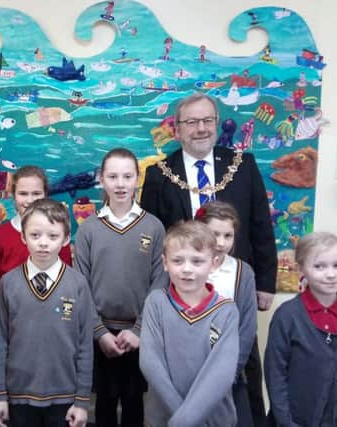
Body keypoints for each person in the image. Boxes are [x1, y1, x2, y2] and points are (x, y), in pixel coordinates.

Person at [140, 92, 276, 425]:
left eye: (208, 121)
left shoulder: (242, 165)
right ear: (177, 129)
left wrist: (267, 283)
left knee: (242, 372)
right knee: (185, 369)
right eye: (191, 122)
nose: (201, 129)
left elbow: (261, 224)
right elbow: (154, 236)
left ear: (216, 123)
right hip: (182, 293)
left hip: (233, 286)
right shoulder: (159, 174)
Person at [74, 148, 168, 427]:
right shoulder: (89, 229)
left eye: (127, 176)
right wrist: (99, 332)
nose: (120, 183)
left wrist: (139, 330)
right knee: (103, 402)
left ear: (137, 179)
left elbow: (160, 282)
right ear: (101, 180)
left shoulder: (154, 227)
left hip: (140, 334)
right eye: (113, 176)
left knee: (134, 403)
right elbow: (81, 285)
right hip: (100, 334)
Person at [0, 199, 93, 427]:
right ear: (23, 237)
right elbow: (1, 343)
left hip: (65, 397)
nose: (43, 243)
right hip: (19, 397)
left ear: (66, 239)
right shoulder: (8, 283)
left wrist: (82, 400)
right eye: (35, 235)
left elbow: (85, 344)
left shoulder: (78, 284)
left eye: (52, 236)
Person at [264, 232, 337, 426]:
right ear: (301, 269)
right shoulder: (287, 316)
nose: (330, 274)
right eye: (319, 266)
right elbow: (275, 376)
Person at [140, 221, 239, 427]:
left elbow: (221, 374)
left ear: (213, 263)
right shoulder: (156, 302)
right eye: (177, 261)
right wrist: (183, 420)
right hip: (163, 420)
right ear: (165, 263)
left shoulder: (226, 311)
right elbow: (150, 363)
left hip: (214, 421)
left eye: (197, 261)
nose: (187, 269)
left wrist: (186, 420)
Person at [0, 166, 72, 360]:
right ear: (13, 195)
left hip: (53, 329)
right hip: (11, 330)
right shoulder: (1, 236)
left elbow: (68, 286)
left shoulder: (58, 235)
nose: (30, 200)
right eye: (23, 193)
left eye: (36, 193)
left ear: (46, 194)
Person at [195, 201, 257, 427]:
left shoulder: (243, 273)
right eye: (214, 234)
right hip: (189, 369)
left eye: (228, 236)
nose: (221, 243)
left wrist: (230, 371)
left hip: (228, 371)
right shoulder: (185, 268)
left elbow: (247, 328)